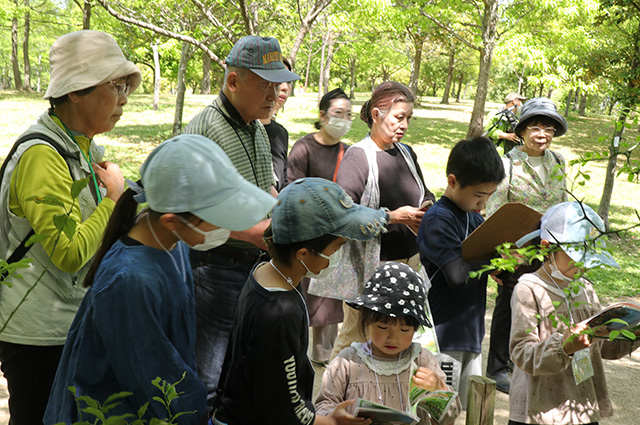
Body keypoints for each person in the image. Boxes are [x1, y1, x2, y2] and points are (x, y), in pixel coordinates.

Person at [44, 134, 277, 425]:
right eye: (218, 216)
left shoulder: (172, 243)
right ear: (171, 219)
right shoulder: (129, 281)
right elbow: (153, 382)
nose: (226, 225)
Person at [0, 30, 140, 425]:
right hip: (37, 334)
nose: (124, 99)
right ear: (75, 90)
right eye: (115, 86)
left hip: (68, 321)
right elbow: (69, 253)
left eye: (126, 86)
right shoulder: (43, 156)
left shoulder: (83, 146)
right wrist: (114, 197)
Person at [184, 35, 300, 414]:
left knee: (240, 372)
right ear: (233, 82)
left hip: (252, 266)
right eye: (264, 85)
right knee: (208, 378)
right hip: (215, 270)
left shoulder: (256, 128)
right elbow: (195, 212)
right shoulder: (207, 128)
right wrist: (261, 234)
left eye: (277, 85)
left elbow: (267, 190)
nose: (275, 94)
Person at [212, 177, 387, 425]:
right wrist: (333, 422)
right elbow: (282, 407)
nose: (338, 255)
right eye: (337, 247)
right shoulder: (279, 312)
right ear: (303, 254)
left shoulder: (266, 270)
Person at [319, 81, 435, 361]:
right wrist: (393, 217)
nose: (404, 124)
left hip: (409, 267)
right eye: (398, 117)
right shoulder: (358, 158)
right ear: (376, 114)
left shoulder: (406, 153)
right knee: (355, 339)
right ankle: (332, 400)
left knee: (399, 343)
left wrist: (427, 207)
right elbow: (343, 215)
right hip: (371, 271)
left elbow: (424, 191)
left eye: (408, 118)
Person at [508, 201, 640, 425]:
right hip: (540, 411)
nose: (584, 267)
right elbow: (522, 352)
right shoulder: (529, 289)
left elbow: (603, 347)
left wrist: (633, 331)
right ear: (546, 248)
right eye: (578, 257)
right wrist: (565, 346)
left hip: (581, 408)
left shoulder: (585, 289)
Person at [484, 97, 568, 394]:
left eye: (548, 128)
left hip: (549, 249)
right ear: (521, 131)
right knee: (509, 306)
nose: (542, 134)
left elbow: (562, 203)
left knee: (542, 306)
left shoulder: (558, 161)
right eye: (535, 127)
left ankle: (527, 360)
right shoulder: (507, 164)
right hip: (515, 251)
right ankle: (497, 368)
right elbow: (493, 211)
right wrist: (499, 257)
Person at [416, 137, 505, 408]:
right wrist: (493, 258)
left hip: (470, 332)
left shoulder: (474, 218)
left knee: (465, 408)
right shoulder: (438, 219)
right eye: (479, 195)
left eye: (489, 195)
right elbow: (457, 275)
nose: (484, 203)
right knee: (440, 408)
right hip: (443, 335)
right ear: (453, 181)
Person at [315, 262, 462, 425]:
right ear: (366, 321)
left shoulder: (422, 361)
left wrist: (439, 390)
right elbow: (323, 405)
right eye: (382, 327)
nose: (393, 337)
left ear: (415, 329)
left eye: (404, 329)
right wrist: (334, 417)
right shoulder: (347, 362)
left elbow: (449, 416)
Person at [288, 87, 353, 365]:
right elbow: (293, 189)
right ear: (322, 116)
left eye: (348, 114)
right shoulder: (303, 148)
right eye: (338, 113)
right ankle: (303, 352)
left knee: (331, 296)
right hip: (308, 233)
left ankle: (325, 355)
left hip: (337, 235)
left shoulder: (349, 152)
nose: (343, 119)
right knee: (308, 295)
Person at [260, 57, 294, 192]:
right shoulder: (245, 130)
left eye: (289, 81)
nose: (285, 87)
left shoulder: (281, 133)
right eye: (279, 80)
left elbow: (283, 182)